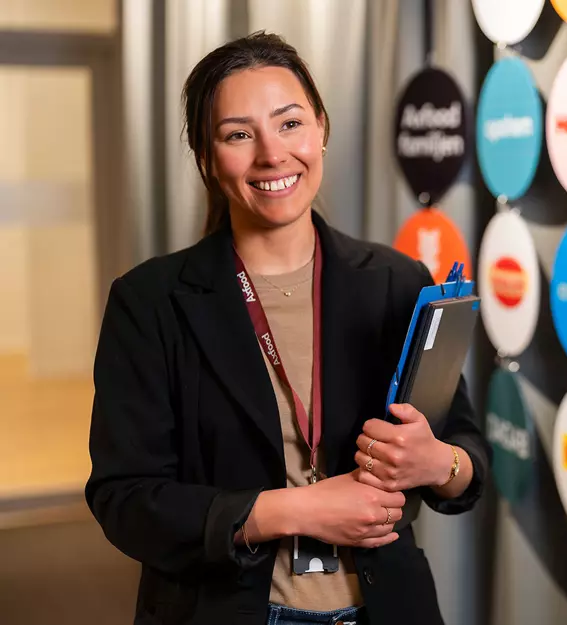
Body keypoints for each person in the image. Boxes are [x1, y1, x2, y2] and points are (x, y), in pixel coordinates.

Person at [85, 31, 490, 625]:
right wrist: (293, 510)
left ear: (322, 128)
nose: (272, 154)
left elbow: (468, 451)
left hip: (388, 606)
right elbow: (125, 501)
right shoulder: (150, 302)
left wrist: (439, 465)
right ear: (206, 156)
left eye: (290, 123)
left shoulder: (399, 281)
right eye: (238, 135)